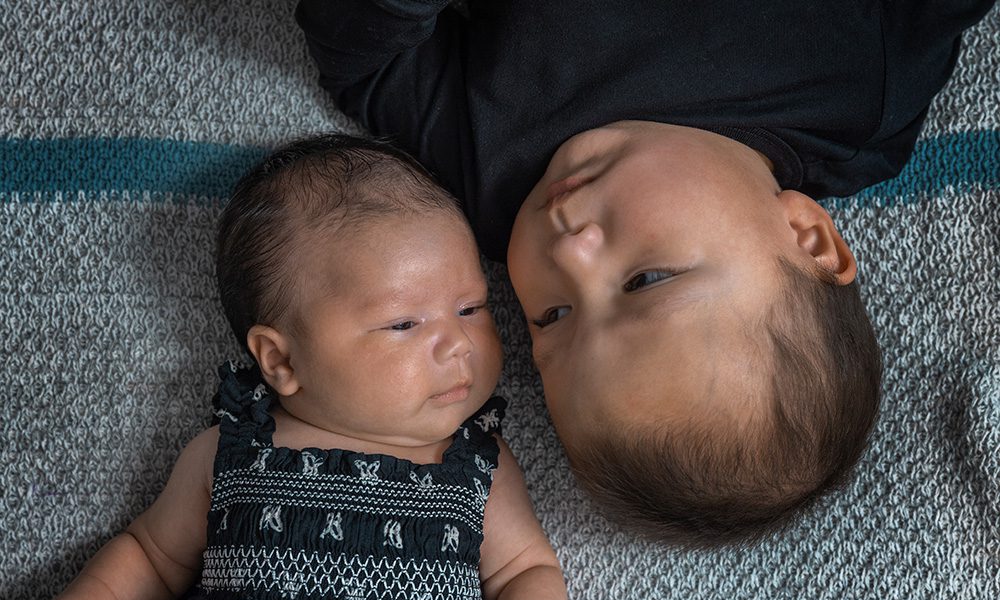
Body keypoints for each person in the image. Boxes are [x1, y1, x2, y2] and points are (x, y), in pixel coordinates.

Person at [293, 0, 996, 544]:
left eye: (553, 318)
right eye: (647, 282)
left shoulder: (493, 171)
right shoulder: (856, 102)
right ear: (810, 237)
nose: (568, 252)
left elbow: (365, 62)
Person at [0, 134, 590, 600]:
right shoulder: (231, 453)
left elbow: (525, 571)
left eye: (470, 308)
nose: (459, 343)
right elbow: (152, 558)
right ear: (282, 361)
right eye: (403, 323)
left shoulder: (475, 466)